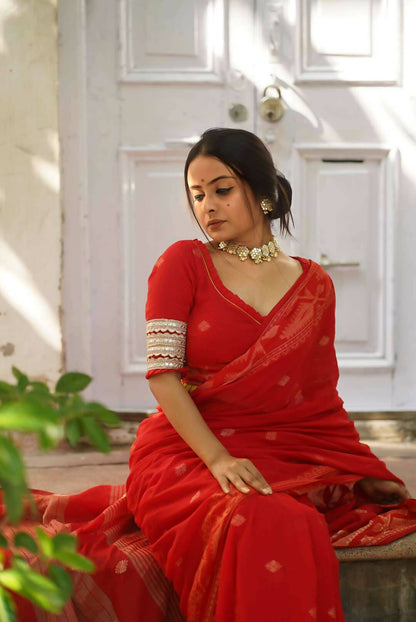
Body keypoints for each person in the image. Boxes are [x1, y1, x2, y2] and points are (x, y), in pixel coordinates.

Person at [3, 128, 416, 622]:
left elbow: (318, 396)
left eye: (221, 190)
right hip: (186, 451)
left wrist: (362, 470)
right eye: (197, 195)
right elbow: (162, 376)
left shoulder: (314, 285)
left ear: (262, 194)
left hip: (282, 449)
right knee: (266, 519)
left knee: (292, 515)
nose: (207, 206)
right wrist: (218, 458)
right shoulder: (183, 263)